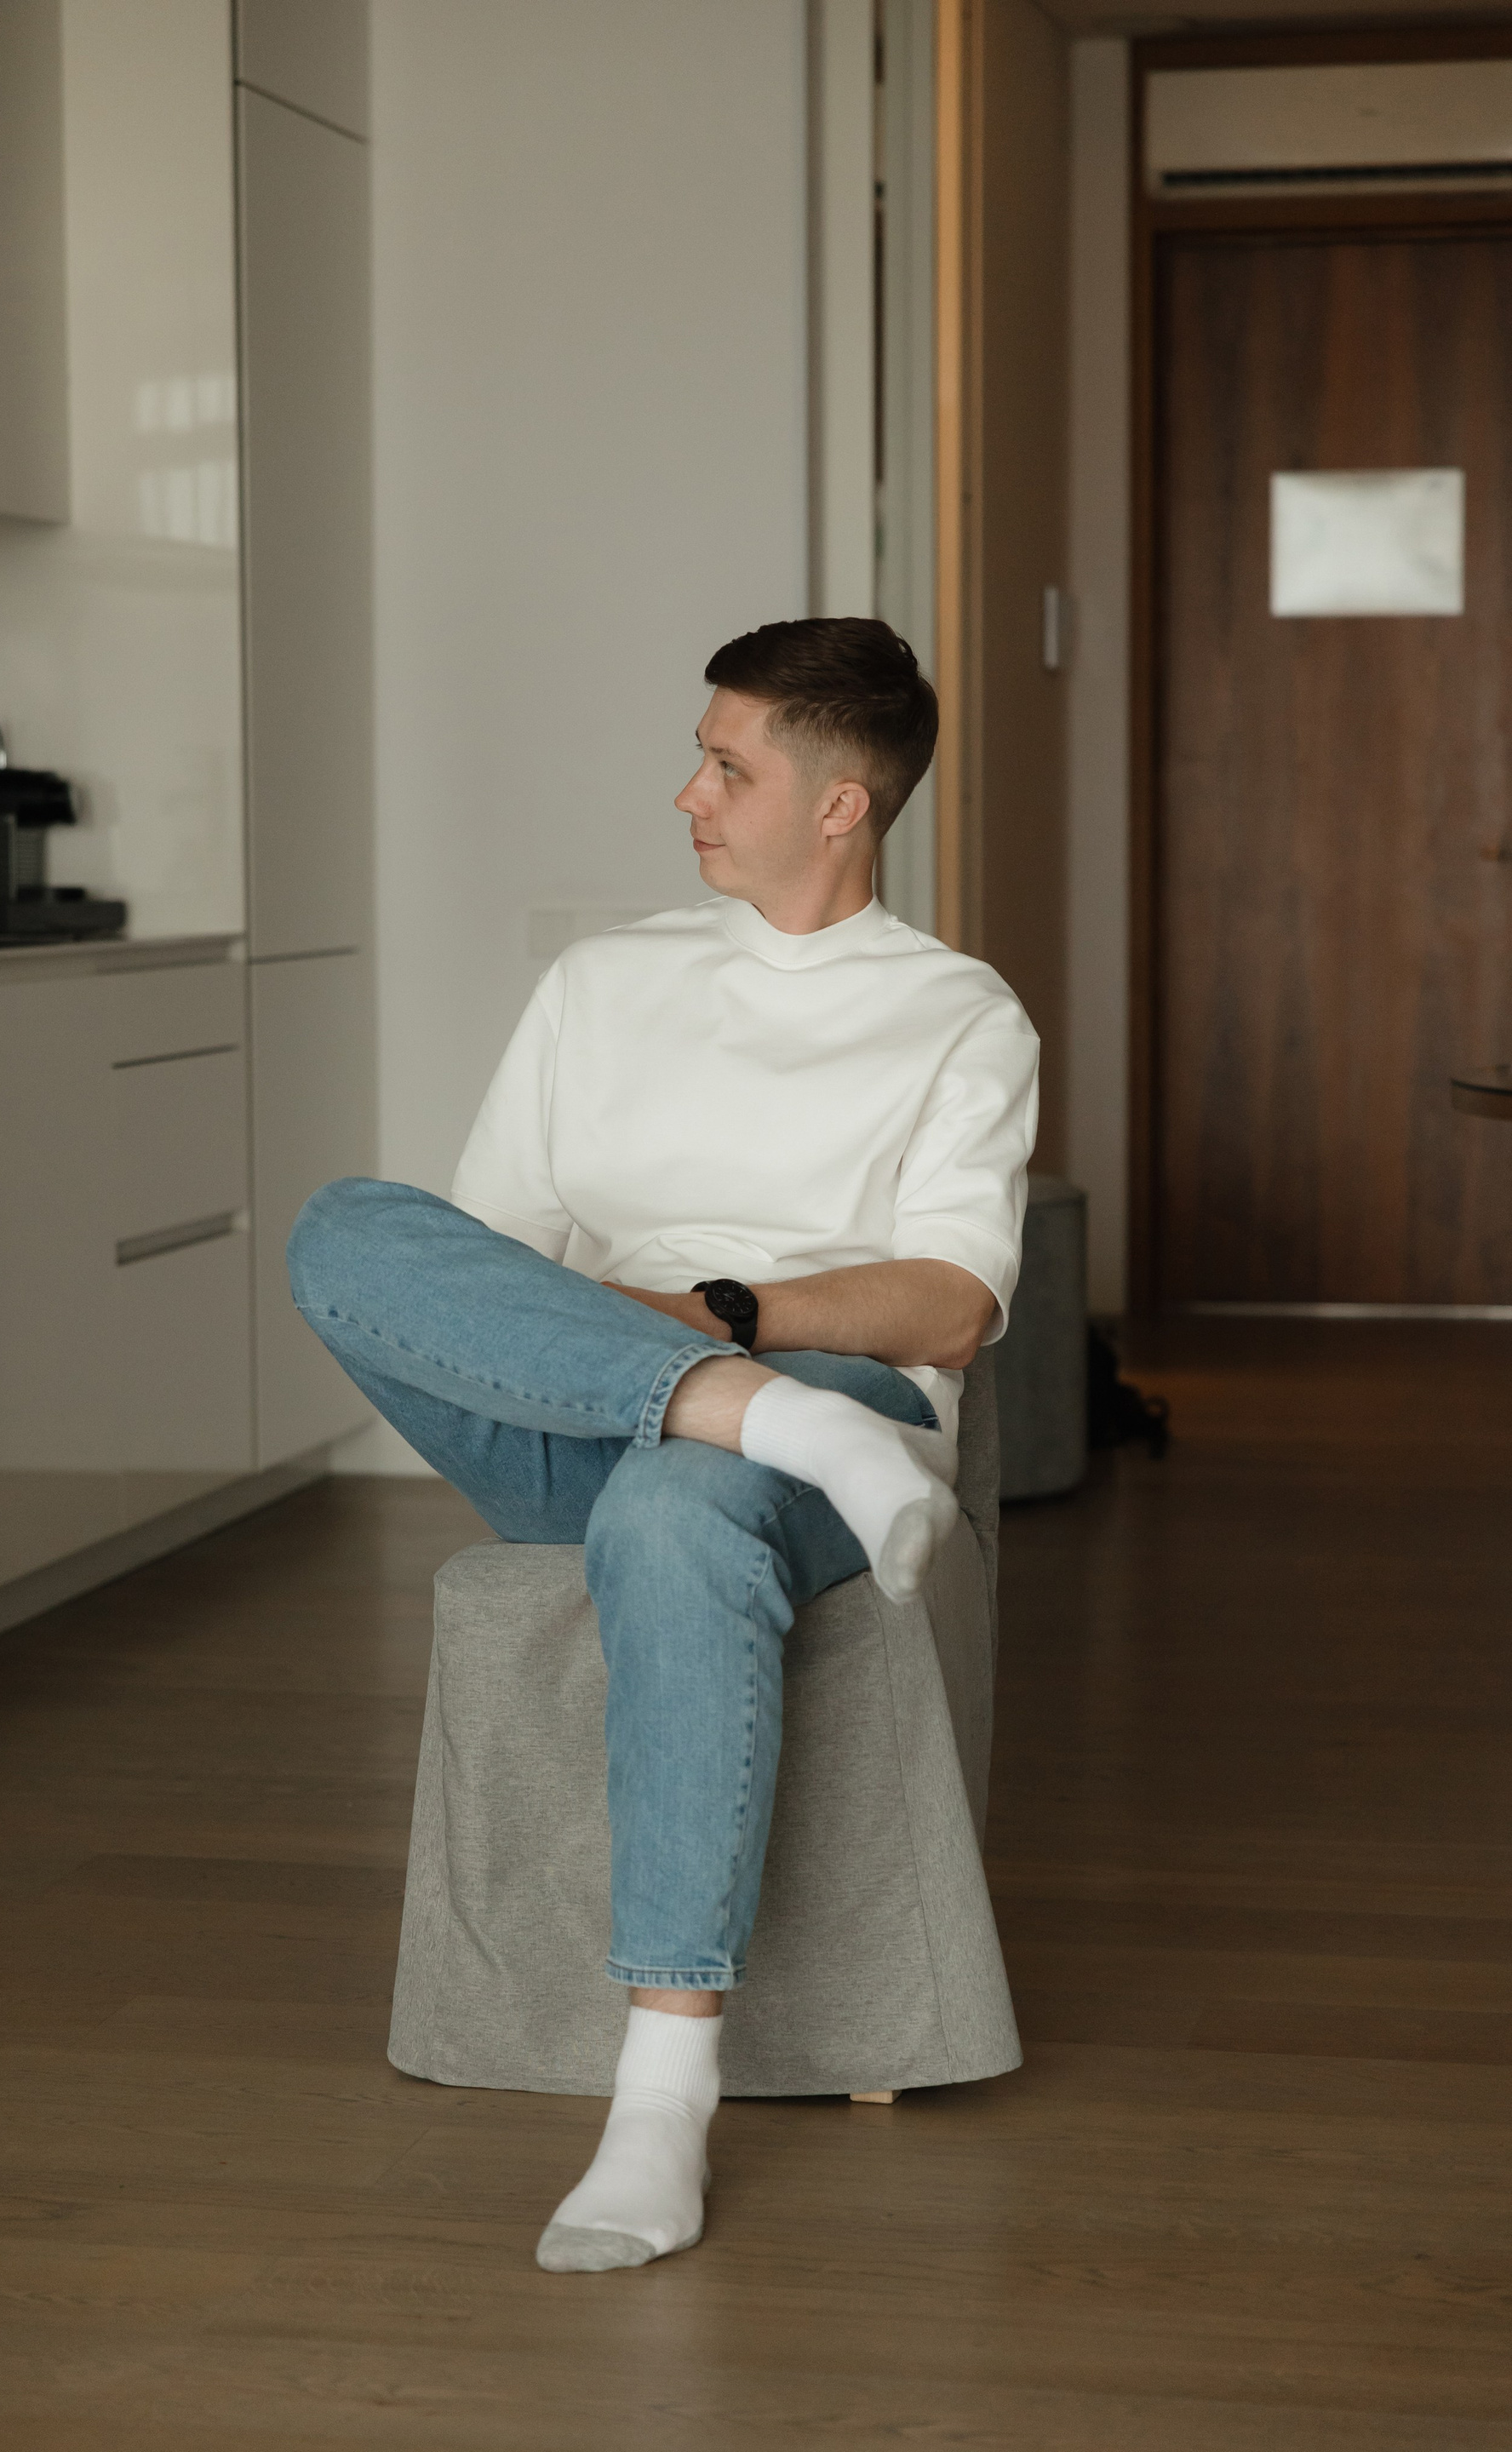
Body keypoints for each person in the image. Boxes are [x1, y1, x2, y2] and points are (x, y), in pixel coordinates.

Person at [287, 616, 1039, 2273]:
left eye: (726, 767)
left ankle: (660, 2098)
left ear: (840, 804)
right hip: (597, 1406)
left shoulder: (957, 1015)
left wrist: (720, 1321)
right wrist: (675, 1369)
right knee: (345, 1224)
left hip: (842, 1405)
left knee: (681, 1512)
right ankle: (744, 1419)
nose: (686, 793)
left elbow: (950, 1304)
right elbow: (479, 1264)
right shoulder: (601, 984)